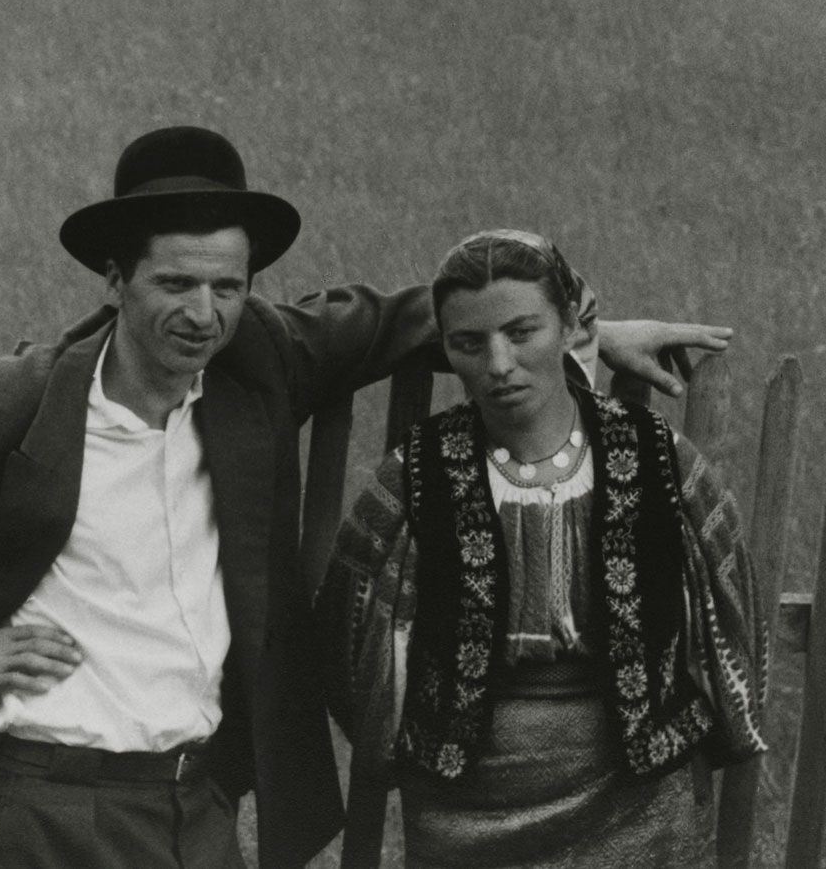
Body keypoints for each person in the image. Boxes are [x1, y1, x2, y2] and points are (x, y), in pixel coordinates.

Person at [0, 130, 734, 869]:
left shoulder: (254, 361)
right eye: (174, 282)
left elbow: (405, 321)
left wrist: (585, 337)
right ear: (112, 277)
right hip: (38, 804)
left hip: (196, 806)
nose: (202, 312)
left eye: (227, 285)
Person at [318, 228, 766, 869]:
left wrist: (704, 721)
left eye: (522, 332)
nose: (498, 364)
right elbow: (349, 619)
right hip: (465, 804)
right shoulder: (420, 471)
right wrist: (407, 738)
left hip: (633, 793)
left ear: (572, 328)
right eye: (468, 344)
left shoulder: (653, 456)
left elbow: (728, 593)